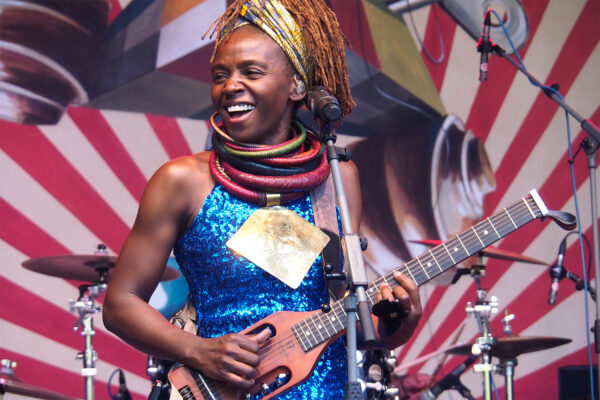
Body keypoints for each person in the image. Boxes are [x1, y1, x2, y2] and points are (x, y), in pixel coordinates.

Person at [103, 0, 422, 398]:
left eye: (251, 72)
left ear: (297, 86)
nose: (230, 85)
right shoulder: (182, 180)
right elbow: (119, 304)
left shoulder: (337, 178)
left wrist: (397, 327)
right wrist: (197, 350)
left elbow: (342, 317)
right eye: (221, 75)